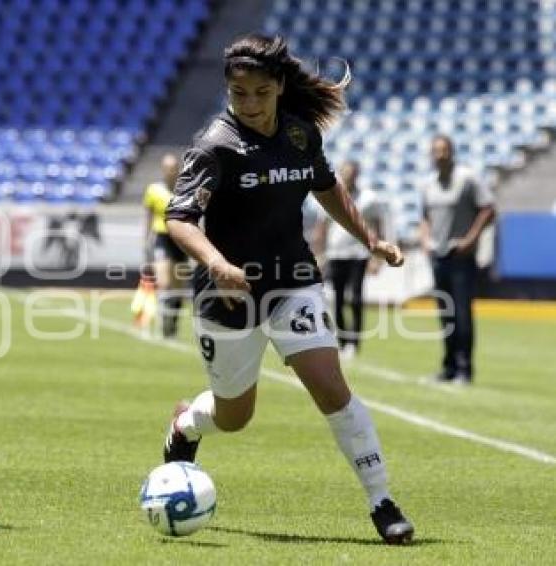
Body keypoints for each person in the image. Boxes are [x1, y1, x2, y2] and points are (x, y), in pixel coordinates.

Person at [162, 34, 414, 544]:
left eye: (259, 92)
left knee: (330, 386)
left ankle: (382, 501)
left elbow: (326, 187)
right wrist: (217, 263)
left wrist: (371, 240)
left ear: (278, 87)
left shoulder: (301, 134)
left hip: (293, 280)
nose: (250, 104)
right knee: (234, 417)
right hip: (227, 293)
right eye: (239, 94)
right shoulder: (215, 146)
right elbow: (179, 219)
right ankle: (185, 425)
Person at [420, 134, 495, 385]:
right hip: (438, 256)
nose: (440, 155)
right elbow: (424, 216)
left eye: (444, 150)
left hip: (461, 256)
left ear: (452, 152)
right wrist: (425, 240)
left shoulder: (468, 178)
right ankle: (448, 367)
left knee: (462, 314)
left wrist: (471, 239)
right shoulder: (428, 183)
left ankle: (465, 369)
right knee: (446, 314)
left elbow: (488, 208)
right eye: (436, 151)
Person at [314, 160, 387, 359]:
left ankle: (354, 342)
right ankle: (343, 340)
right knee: (337, 300)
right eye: (345, 173)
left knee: (355, 298)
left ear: (358, 174)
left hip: (359, 254)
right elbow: (322, 228)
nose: (349, 176)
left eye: (352, 173)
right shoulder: (330, 195)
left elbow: (378, 225)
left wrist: (376, 256)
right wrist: (319, 255)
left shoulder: (368, 198)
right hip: (336, 254)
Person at [142, 153, 190, 337]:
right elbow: (148, 215)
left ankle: (172, 325)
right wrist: (145, 240)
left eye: (174, 168)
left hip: (181, 240)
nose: (171, 171)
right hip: (161, 238)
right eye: (168, 168)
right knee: (164, 283)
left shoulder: (185, 191)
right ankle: (163, 320)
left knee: (178, 288)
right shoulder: (153, 190)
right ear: (163, 170)